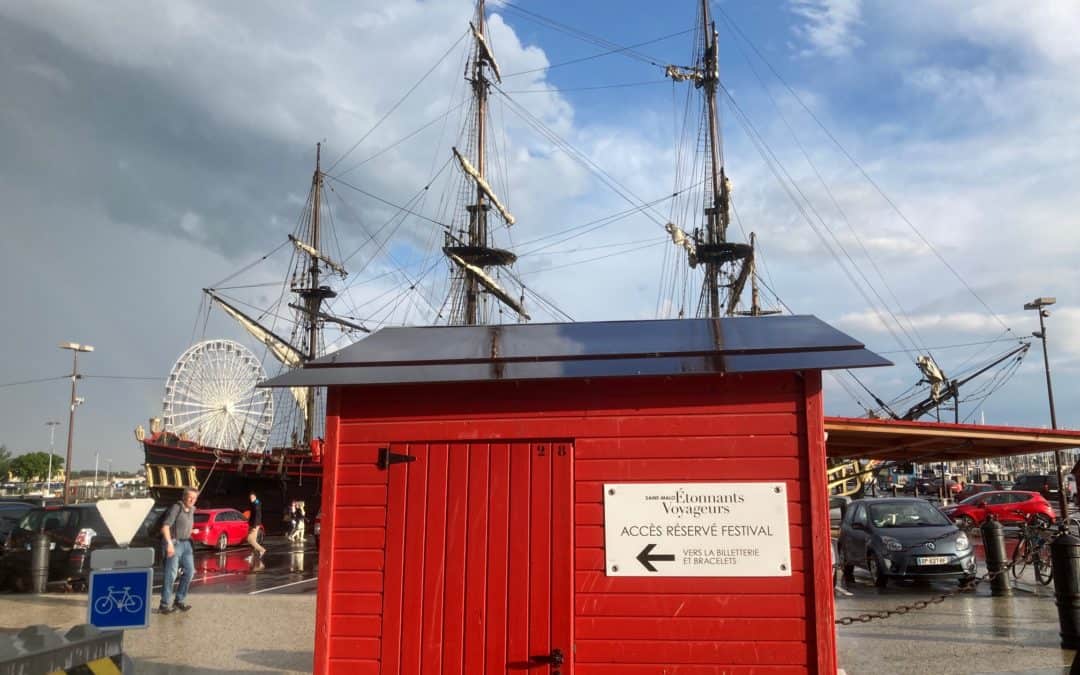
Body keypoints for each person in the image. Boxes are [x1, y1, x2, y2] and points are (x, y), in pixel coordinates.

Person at [159, 487, 198, 614]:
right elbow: (165, 527)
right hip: (174, 544)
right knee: (171, 574)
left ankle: (179, 600)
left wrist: (192, 531)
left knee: (190, 572)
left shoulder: (192, 510)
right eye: (190, 497)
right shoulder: (177, 508)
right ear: (184, 497)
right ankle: (164, 604)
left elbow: (184, 526)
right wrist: (169, 544)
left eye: (194, 497)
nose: (192, 500)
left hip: (187, 544)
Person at [245, 491, 267, 561]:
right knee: (253, 541)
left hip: (255, 524)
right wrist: (249, 522)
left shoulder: (257, 504)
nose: (250, 499)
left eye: (252, 497)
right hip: (253, 524)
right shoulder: (253, 503)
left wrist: (254, 526)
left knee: (250, 539)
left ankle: (262, 550)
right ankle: (252, 556)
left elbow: (257, 515)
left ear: (255, 497)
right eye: (250, 497)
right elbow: (252, 515)